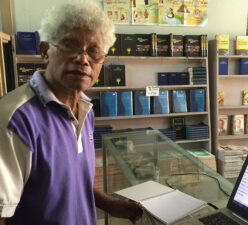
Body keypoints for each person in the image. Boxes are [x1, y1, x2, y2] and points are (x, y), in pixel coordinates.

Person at [0, 1, 142, 225]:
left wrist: (109, 204)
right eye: (69, 45)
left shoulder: (85, 110)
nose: (83, 59)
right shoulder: (15, 119)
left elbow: (74, 181)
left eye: (93, 51)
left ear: (102, 60)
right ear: (45, 50)